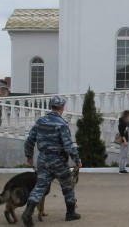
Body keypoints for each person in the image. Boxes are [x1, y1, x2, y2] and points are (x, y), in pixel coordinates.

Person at [22, 96, 83, 227]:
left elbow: (29, 141)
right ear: (62, 107)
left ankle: (27, 212)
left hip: (43, 159)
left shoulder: (40, 121)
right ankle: (70, 213)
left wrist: (29, 156)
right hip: (58, 161)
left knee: (39, 187)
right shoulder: (62, 124)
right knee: (68, 186)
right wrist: (77, 160)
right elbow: (68, 146)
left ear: (51, 106)